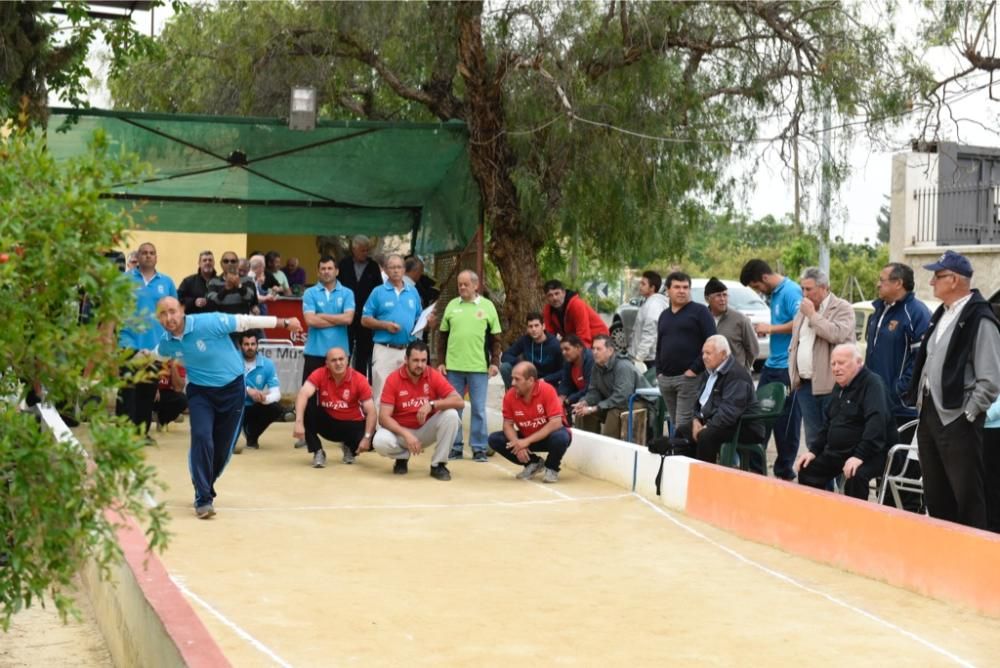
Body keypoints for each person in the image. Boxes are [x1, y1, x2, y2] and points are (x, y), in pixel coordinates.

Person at [153, 296, 302, 519]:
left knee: (222, 449)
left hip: (232, 390)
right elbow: (152, 355)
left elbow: (245, 322)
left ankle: (204, 484)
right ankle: (203, 498)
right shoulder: (167, 343)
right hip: (200, 393)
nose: (169, 318)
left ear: (182, 310)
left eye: (172, 311)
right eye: (163, 314)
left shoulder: (209, 322)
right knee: (202, 437)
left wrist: (283, 322)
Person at [905, 250, 1000, 529]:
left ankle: (975, 556)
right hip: (930, 414)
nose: (932, 282)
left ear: (955, 279)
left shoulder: (980, 318)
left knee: (968, 495)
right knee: (936, 492)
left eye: (938, 276)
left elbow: (990, 378)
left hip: (958, 419)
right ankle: (945, 551)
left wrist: (969, 413)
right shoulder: (942, 314)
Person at [795, 344, 894, 500]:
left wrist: (859, 456)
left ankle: (855, 522)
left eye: (841, 363)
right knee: (808, 469)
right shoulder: (840, 386)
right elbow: (828, 424)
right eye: (833, 364)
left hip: (873, 452)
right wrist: (813, 451)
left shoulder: (872, 384)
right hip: (841, 451)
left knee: (855, 474)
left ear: (859, 362)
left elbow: (877, 424)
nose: (836, 368)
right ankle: (817, 517)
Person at [740, 259, 803, 480]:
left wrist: (771, 328)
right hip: (771, 365)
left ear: (764, 278)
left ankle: (784, 471)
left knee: (787, 421)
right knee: (758, 417)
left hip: (788, 366)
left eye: (757, 287)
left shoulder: (791, 291)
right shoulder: (775, 294)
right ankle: (756, 469)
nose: (759, 291)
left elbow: (801, 322)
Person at [372, 341, 464, 480]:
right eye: (415, 360)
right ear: (406, 359)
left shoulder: (432, 375)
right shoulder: (393, 379)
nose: (420, 365)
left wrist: (432, 404)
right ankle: (402, 458)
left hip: (425, 429)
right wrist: (406, 435)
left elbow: (459, 401)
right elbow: (383, 417)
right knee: (379, 441)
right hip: (401, 433)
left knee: (451, 415)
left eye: (423, 361)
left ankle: (438, 465)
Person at [438, 270, 502, 462]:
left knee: (478, 409)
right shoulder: (451, 306)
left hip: (478, 368)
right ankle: (455, 447)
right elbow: (442, 337)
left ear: (476, 285)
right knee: (453, 409)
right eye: (460, 284)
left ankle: (479, 448)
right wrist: (441, 362)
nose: (462, 287)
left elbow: (495, 339)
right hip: (453, 368)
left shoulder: (488, 307)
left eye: (466, 284)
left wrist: (495, 362)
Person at [787, 267, 855, 449]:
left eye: (809, 289)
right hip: (805, 386)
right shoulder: (802, 310)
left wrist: (812, 315)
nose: (804, 293)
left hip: (831, 386)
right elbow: (796, 343)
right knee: (813, 441)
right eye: (802, 289)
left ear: (825, 288)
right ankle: (817, 478)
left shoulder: (842, 308)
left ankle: (842, 478)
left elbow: (836, 334)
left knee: (835, 440)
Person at [671, 335, 763, 464]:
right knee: (683, 431)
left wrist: (707, 426)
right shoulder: (709, 372)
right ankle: (687, 473)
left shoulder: (737, 375)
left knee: (705, 436)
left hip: (744, 426)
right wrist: (696, 419)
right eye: (703, 353)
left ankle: (705, 477)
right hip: (719, 421)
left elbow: (729, 411)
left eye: (708, 353)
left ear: (724, 354)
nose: (704, 357)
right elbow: (700, 401)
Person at [118, 242, 177, 437]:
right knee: (128, 391)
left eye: (152, 253)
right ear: (138, 256)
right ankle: (126, 434)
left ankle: (142, 433)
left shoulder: (167, 283)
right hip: (129, 342)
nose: (148, 256)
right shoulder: (125, 280)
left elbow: (174, 314)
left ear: (156, 257)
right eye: (144, 253)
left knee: (147, 391)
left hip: (155, 346)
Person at [865, 262, 931, 424]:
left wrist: (898, 390)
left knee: (897, 450)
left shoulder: (916, 313)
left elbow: (922, 359)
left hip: (901, 407)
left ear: (898, 283)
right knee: (875, 449)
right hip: (875, 401)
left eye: (882, 280)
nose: (877, 284)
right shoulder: (879, 310)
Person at [293, 346, 377, 469]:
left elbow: (371, 412)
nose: (338, 363)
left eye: (341, 359)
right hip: (328, 423)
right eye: (333, 360)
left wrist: (367, 438)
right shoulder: (319, 373)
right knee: (307, 407)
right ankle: (318, 451)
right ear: (326, 363)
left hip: (352, 424)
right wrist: (298, 422)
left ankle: (349, 447)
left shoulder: (359, 379)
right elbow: (303, 394)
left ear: (347, 360)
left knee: (375, 441)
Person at [488, 361, 572, 483]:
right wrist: (517, 444)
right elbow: (507, 425)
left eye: (517, 379)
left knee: (561, 436)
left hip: (548, 437)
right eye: (512, 379)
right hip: (527, 438)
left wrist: (525, 442)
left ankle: (552, 467)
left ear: (531, 380)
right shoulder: (510, 396)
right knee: (495, 439)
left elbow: (556, 422)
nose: (512, 383)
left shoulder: (547, 390)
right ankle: (533, 463)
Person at [654, 271, 716, 432]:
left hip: (689, 378)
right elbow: (660, 345)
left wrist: (694, 369)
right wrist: (659, 372)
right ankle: (682, 453)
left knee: (684, 423)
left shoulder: (700, 312)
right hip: (666, 379)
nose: (682, 291)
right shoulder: (664, 316)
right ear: (668, 290)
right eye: (677, 287)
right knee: (676, 423)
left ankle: (684, 455)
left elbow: (712, 342)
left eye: (685, 287)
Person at [361, 254, 422, 408]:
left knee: (406, 394)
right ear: (386, 270)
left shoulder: (413, 292)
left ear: (404, 270)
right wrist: (385, 325)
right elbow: (364, 319)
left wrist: (429, 322)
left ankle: (401, 430)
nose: (396, 270)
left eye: (399, 267)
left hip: (407, 351)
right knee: (381, 394)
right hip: (384, 350)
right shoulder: (378, 292)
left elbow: (418, 319)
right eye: (392, 267)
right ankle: (380, 431)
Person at [572, 335, 649, 438]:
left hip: (638, 401)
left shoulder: (623, 366)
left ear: (610, 350)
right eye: (593, 348)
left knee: (614, 412)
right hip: (614, 401)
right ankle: (588, 446)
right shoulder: (596, 366)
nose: (594, 352)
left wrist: (595, 408)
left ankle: (608, 448)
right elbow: (594, 391)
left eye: (598, 349)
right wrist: (585, 402)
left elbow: (622, 396)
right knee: (585, 412)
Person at [301, 255, 355, 382]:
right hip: (314, 353)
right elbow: (310, 321)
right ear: (318, 272)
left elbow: (348, 319)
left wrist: (322, 315)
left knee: (339, 398)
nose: (326, 271)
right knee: (311, 398)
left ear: (337, 271)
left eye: (330, 268)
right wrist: (338, 320)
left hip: (339, 355)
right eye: (323, 269)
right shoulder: (309, 293)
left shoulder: (347, 293)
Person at [339, 235, 384, 377]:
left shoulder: (373, 266)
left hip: (366, 315)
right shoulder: (344, 264)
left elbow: (379, 290)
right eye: (362, 250)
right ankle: (342, 378)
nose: (365, 253)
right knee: (345, 349)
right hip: (346, 314)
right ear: (354, 249)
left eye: (367, 250)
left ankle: (359, 381)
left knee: (364, 352)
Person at [238, 331, 284, 452]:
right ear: (240, 346)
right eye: (246, 344)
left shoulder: (267, 364)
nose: (250, 347)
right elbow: (224, 386)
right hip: (233, 406)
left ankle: (251, 436)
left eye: (253, 344)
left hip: (253, 407)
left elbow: (277, 393)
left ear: (257, 345)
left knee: (276, 408)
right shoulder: (232, 362)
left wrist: (265, 399)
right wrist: (248, 390)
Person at [703, 277, 758, 372]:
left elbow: (753, 350)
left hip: (735, 376)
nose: (723, 299)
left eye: (725, 295)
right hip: (710, 377)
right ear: (707, 299)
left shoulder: (740, 319)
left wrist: (742, 369)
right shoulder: (702, 319)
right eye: (718, 295)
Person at [500, 311, 563, 389]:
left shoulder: (555, 344)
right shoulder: (525, 340)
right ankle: (513, 395)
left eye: (536, 326)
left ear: (543, 326)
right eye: (530, 326)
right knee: (505, 367)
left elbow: (563, 371)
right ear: (527, 328)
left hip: (547, 382)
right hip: (528, 379)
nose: (533, 329)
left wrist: (546, 379)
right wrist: (520, 363)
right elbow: (505, 356)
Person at [541, 279, 609, 347]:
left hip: (599, 338)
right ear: (546, 297)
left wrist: (580, 354)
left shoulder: (576, 304)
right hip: (576, 340)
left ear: (564, 293)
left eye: (557, 293)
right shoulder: (548, 309)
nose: (554, 298)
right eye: (550, 295)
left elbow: (583, 335)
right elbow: (550, 336)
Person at [629, 270, 669, 368]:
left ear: (652, 288)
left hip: (648, 360)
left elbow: (649, 334)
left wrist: (638, 358)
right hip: (647, 358)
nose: (640, 286)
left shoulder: (654, 305)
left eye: (643, 284)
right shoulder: (650, 302)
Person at [207, 251, 258, 316]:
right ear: (221, 264)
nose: (229, 263)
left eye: (233, 261)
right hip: (222, 322)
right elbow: (212, 303)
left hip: (241, 323)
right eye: (226, 261)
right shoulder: (213, 281)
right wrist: (225, 290)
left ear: (237, 263)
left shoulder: (248, 280)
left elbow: (250, 298)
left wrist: (239, 286)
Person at [557, 334, 594, 410]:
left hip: (591, 396)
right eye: (562, 350)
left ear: (578, 348)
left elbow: (589, 388)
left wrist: (569, 400)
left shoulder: (590, 360)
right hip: (578, 395)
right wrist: (561, 397)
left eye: (567, 349)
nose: (563, 353)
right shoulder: (568, 361)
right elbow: (565, 382)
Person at [177, 250, 218, 315]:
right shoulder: (188, 281)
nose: (207, 262)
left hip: (215, 322)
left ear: (214, 263)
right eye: (204, 260)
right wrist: (194, 302)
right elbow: (178, 299)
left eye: (210, 260)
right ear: (199, 263)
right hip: (194, 322)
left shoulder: (220, 282)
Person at [152, 360, 187, 432]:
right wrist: (154, 387)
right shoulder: (151, 358)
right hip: (150, 392)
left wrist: (173, 367)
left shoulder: (177, 361)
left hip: (166, 394)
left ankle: (162, 420)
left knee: (182, 400)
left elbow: (178, 388)